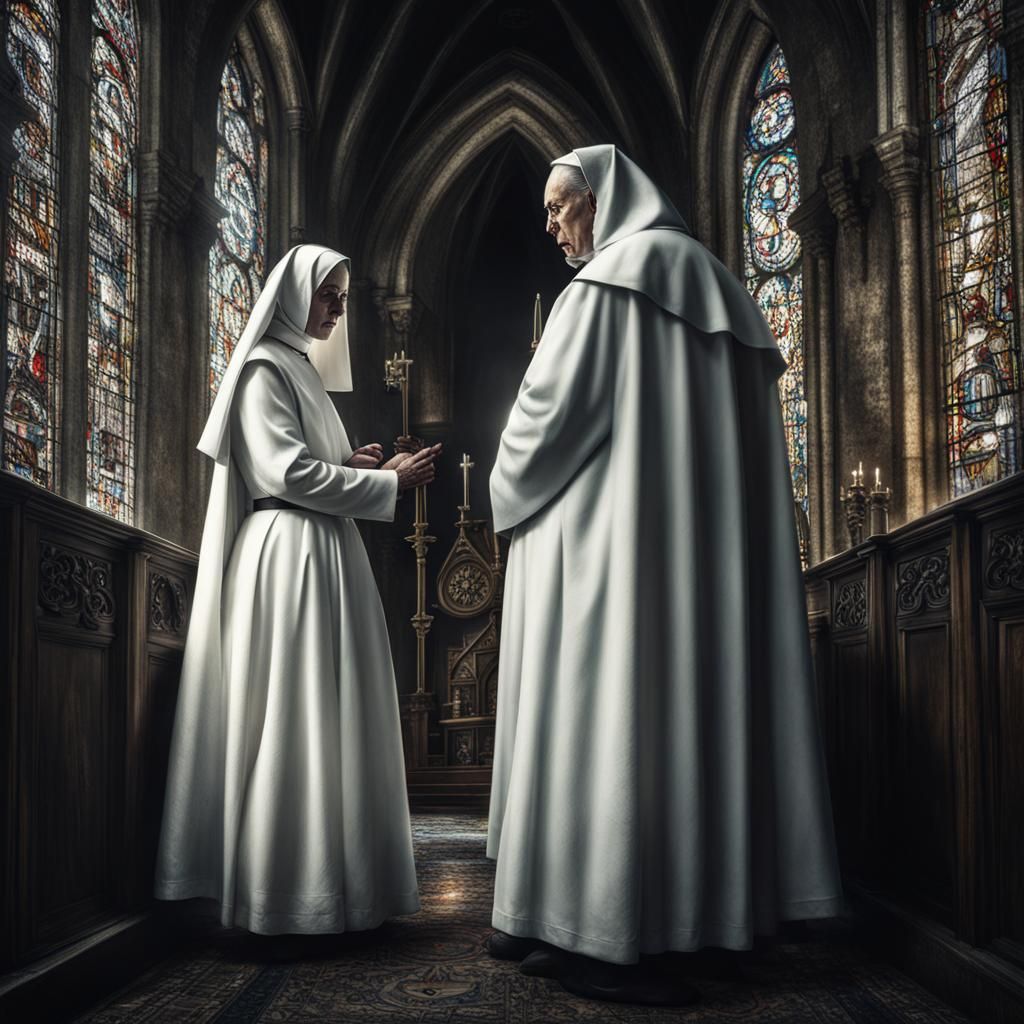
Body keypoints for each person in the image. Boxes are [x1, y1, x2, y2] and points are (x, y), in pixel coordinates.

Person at [486, 145, 841, 1005]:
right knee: (700, 726)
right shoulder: (721, 286)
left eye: (560, 206)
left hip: (615, 558)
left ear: (601, 200)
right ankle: (712, 925)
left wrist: (501, 478)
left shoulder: (609, 285)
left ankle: (609, 933)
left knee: (613, 722)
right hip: (712, 578)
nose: (551, 224)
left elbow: (542, 426)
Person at [155, 244, 440, 937]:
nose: (337, 309)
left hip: (321, 553)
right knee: (292, 720)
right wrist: (387, 483)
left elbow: (309, 463)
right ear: (290, 295)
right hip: (288, 559)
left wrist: (353, 462)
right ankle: (278, 905)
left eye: (343, 297)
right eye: (327, 295)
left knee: (323, 721)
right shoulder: (261, 370)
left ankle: (331, 895)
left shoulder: (301, 370)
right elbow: (283, 473)